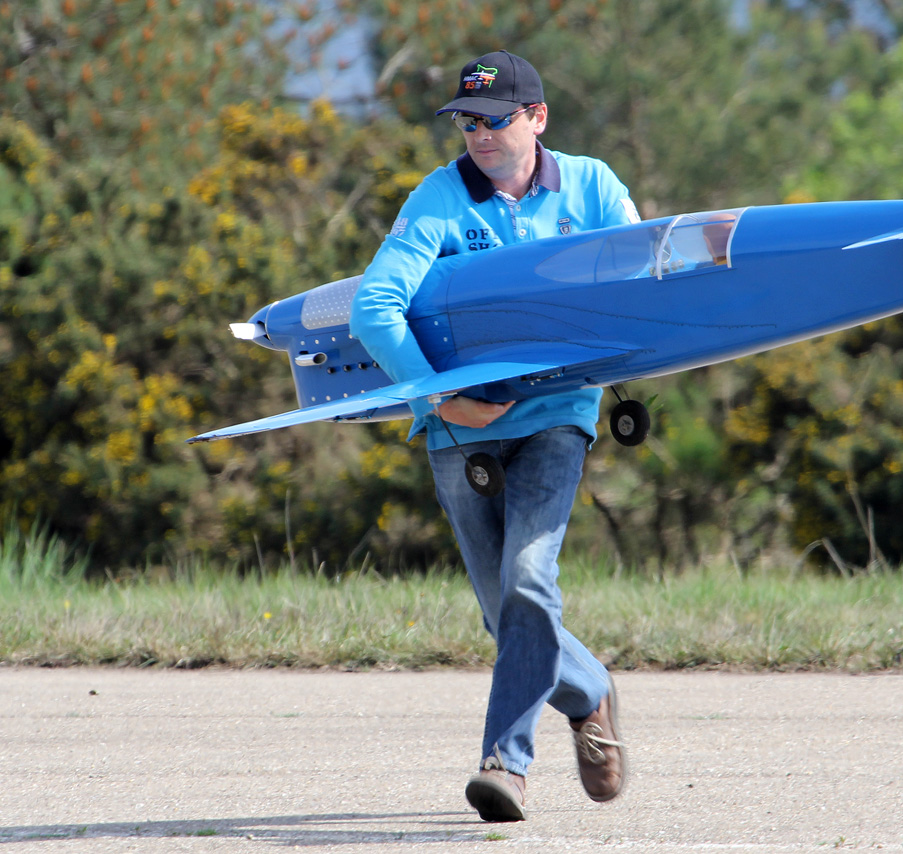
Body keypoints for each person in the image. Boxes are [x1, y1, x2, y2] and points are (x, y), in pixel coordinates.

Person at [349, 50, 636, 823]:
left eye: (494, 119)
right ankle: (590, 691)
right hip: (456, 427)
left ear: (537, 118)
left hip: (556, 415)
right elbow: (375, 307)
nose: (477, 134)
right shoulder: (439, 198)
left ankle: (505, 765)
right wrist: (443, 401)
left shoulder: (593, 186)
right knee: (502, 610)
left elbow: (643, 284)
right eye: (466, 121)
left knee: (529, 581)